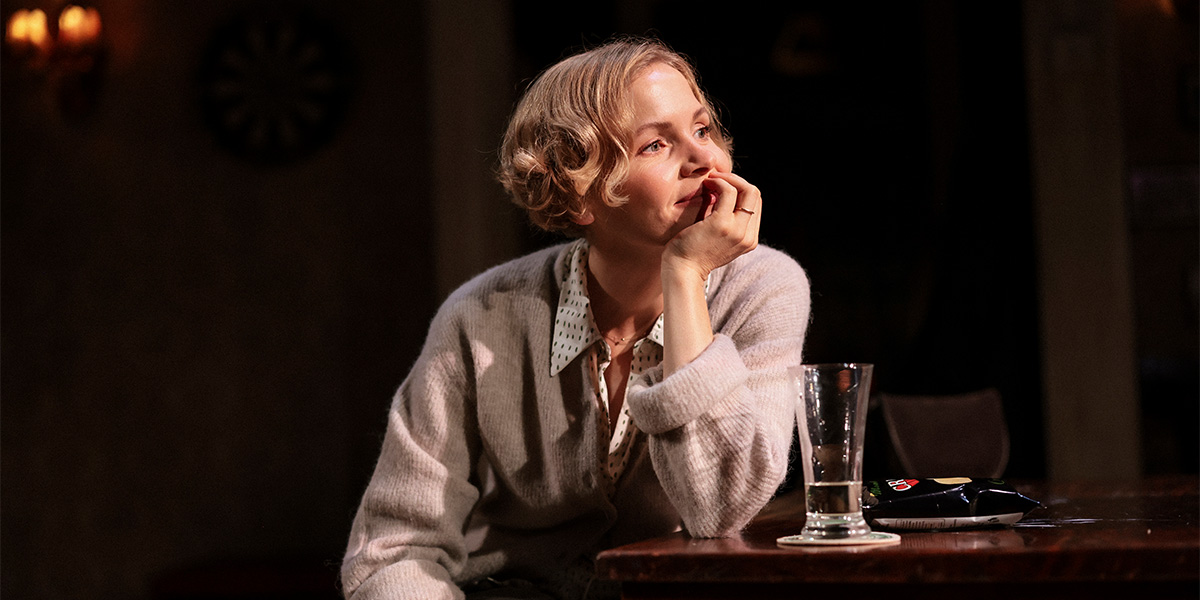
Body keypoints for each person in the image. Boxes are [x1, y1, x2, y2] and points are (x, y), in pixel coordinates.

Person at [340, 36, 811, 600]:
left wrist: (684, 276)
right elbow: (392, 550)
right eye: (657, 145)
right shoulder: (480, 317)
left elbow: (720, 506)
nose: (704, 160)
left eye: (703, 130)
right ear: (579, 192)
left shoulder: (763, 287)